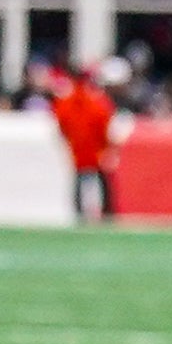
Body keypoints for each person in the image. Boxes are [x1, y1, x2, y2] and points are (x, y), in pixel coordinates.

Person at [50, 58, 119, 222]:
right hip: (94, 148)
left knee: (82, 180)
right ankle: (106, 212)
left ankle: (82, 213)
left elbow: (61, 123)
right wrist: (107, 145)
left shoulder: (67, 101)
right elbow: (104, 123)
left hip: (81, 146)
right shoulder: (95, 102)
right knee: (99, 180)